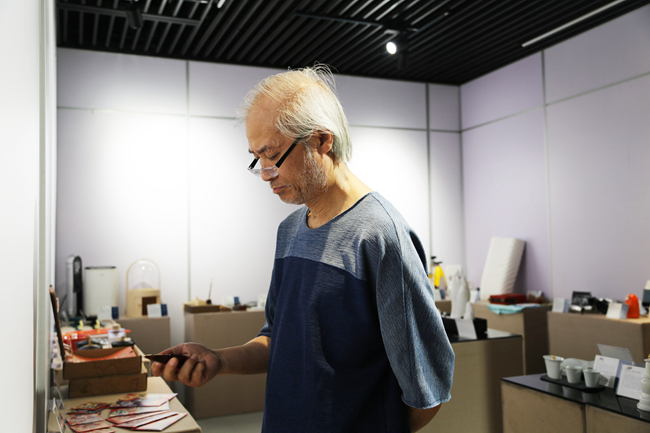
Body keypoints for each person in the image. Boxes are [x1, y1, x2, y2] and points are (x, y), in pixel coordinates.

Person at [152, 65, 455, 432]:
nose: (266, 173)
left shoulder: (379, 237)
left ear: (322, 140)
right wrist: (218, 359)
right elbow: (276, 340)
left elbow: (427, 392)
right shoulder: (290, 231)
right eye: (257, 158)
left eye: (273, 155)